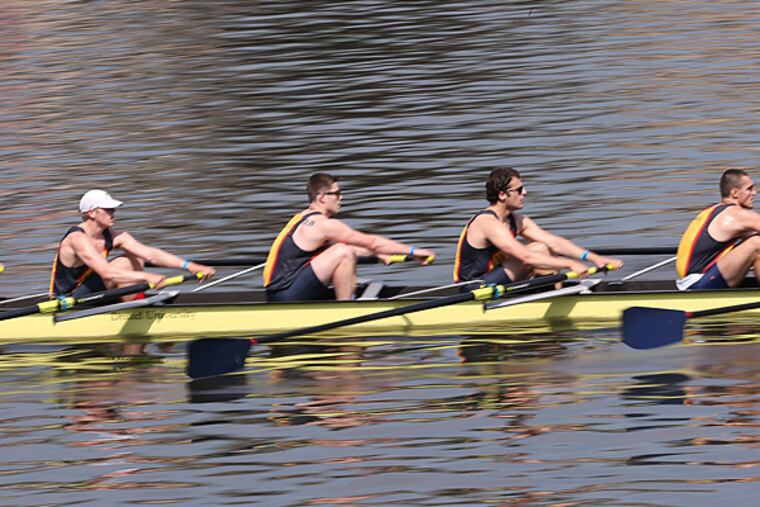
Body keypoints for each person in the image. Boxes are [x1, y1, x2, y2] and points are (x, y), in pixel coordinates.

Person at [263, 173, 435, 301]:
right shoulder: (323, 225)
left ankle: (347, 301)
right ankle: (346, 309)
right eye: (337, 193)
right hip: (286, 296)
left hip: (281, 292)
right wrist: (413, 251)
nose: (341, 198)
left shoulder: (304, 218)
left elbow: (361, 248)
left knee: (344, 250)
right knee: (343, 253)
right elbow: (372, 242)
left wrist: (378, 255)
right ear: (322, 197)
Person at [453, 166, 623, 289]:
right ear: (502, 195)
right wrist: (569, 264)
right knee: (538, 251)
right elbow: (526, 257)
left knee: (545, 247)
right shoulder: (487, 222)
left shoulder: (517, 220)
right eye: (519, 190)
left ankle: (554, 292)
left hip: (499, 279)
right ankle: (557, 297)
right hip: (476, 287)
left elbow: (555, 242)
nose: (524, 193)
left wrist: (594, 258)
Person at [50, 189, 215, 297]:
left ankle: (136, 303)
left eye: (113, 209)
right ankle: (136, 308)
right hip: (70, 298)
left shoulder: (114, 236)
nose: (113, 213)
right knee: (124, 264)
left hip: (92, 290)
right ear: (92, 213)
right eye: (108, 209)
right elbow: (107, 273)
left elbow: (151, 254)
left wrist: (191, 266)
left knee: (135, 258)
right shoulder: (77, 239)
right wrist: (148, 277)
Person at [676, 169, 760, 290]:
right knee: (757, 244)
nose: (754, 193)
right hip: (696, 286)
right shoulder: (735, 214)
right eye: (749, 189)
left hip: (692, 281)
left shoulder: (714, 210)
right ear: (735, 192)